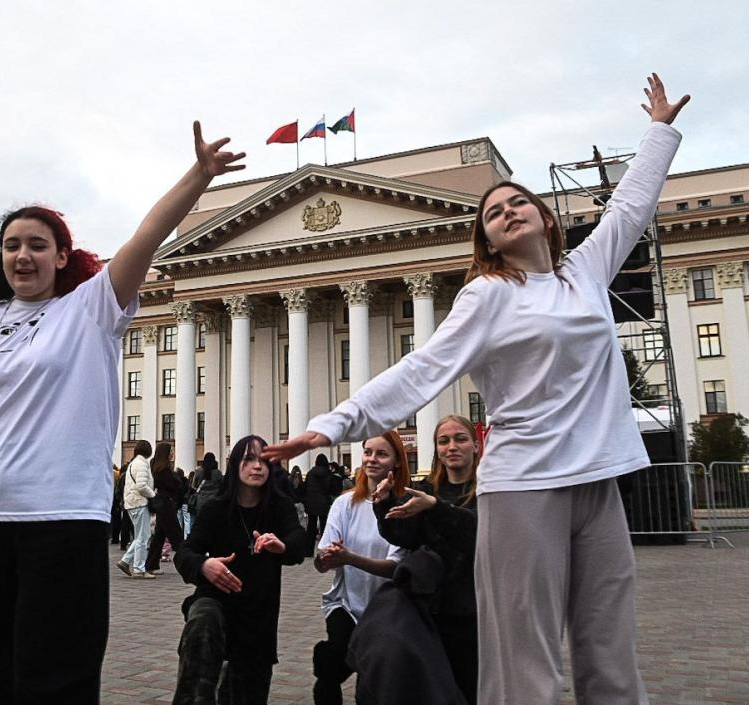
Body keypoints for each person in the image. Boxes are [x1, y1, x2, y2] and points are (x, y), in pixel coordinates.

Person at [267, 75, 689, 705]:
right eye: (493, 212)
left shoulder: (587, 272)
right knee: (525, 660)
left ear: (546, 218)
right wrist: (333, 424)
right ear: (487, 241)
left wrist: (657, 131)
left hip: (598, 482)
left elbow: (630, 207)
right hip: (524, 487)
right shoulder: (490, 294)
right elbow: (422, 369)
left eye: (518, 202)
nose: (508, 211)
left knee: (610, 652)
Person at [0, 121, 245, 704]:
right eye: (12, 245)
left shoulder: (91, 309)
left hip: (63, 517)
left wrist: (199, 176)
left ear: (61, 256)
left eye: (36, 244)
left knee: (57, 672)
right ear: (0, 258)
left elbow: (147, 236)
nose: (22, 255)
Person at [172, 435, 308, 704]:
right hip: (217, 602)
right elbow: (185, 553)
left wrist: (282, 546)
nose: (257, 466)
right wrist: (204, 565)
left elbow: (298, 542)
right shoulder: (216, 509)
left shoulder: (279, 507)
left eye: (264, 461)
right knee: (203, 619)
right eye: (248, 459)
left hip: (258, 617)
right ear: (235, 465)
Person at [367, 415, 480, 704]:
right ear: (437, 449)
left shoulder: (490, 491)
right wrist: (384, 504)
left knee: (471, 688)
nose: (451, 447)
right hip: (431, 610)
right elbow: (405, 536)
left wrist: (435, 508)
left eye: (460, 439)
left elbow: (477, 535)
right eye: (443, 441)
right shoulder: (428, 490)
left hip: (476, 613)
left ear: (476, 446)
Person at [313, 431, 408, 705]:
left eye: (381, 454)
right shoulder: (344, 503)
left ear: (397, 462)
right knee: (330, 669)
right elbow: (323, 563)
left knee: (373, 678)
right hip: (344, 603)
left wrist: (349, 558)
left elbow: (394, 568)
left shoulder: (403, 505)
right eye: (368, 452)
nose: (372, 459)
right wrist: (327, 558)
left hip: (388, 608)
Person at [144, 443, 186, 577]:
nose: (172, 453)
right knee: (176, 535)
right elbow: (175, 485)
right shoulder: (164, 470)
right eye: (171, 451)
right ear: (165, 454)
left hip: (162, 504)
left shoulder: (157, 468)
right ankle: (187, 563)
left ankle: (151, 565)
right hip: (166, 504)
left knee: (159, 536)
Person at [117, 440, 156, 579]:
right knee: (143, 537)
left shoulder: (134, 463)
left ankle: (126, 561)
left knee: (141, 535)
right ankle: (139, 569)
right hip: (139, 502)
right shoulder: (142, 465)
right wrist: (153, 494)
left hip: (132, 502)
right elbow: (141, 486)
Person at [304, 453, 337, 546]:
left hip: (311, 503)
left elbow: (306, 487)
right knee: (324, 525)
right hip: (324, 502)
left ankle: (309, 549)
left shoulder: (310, 472)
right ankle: (325, 546)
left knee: (311, 526)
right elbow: (331, 488)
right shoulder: (328, 473)